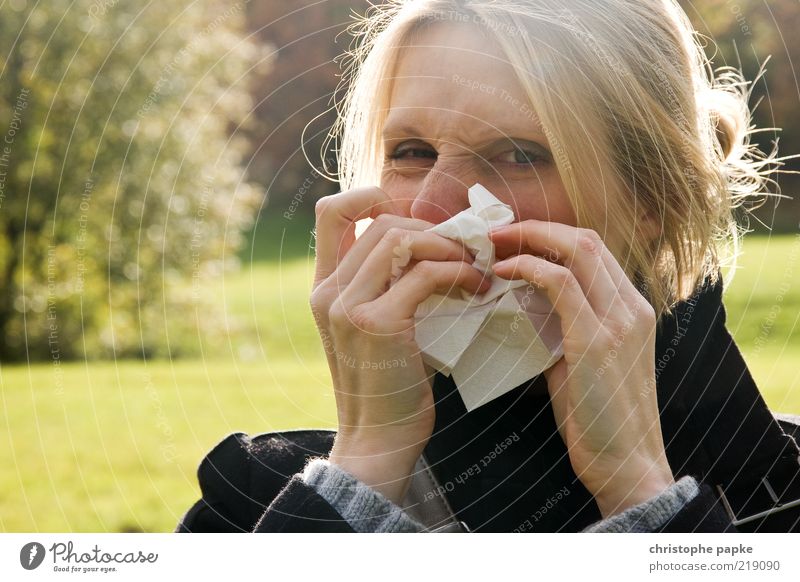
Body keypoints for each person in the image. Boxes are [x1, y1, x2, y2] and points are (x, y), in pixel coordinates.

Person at [177, 0, 800, 533]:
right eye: (412, 152)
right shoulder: (254, 504)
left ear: (654, 201)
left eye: (521, 155)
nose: (430, 206)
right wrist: (365, 467)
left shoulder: (777, 503)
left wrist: (640, 493)